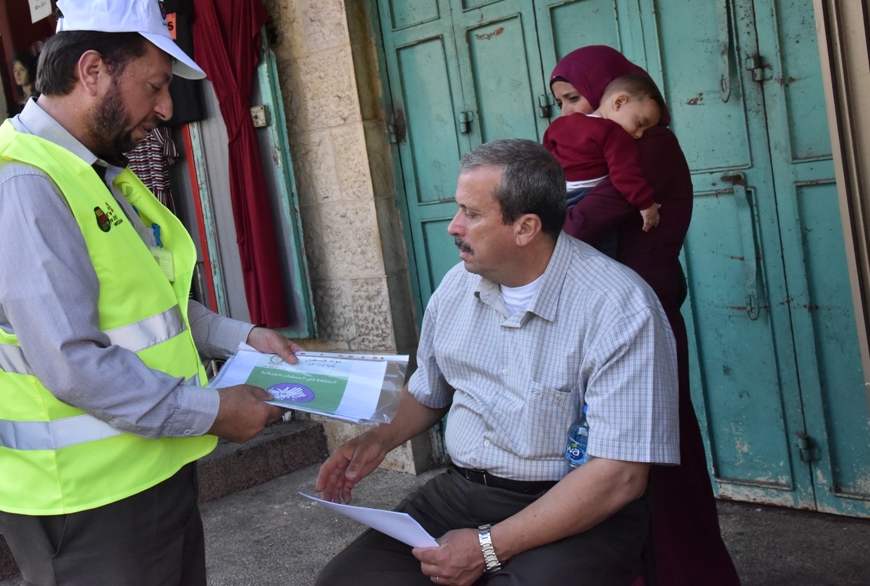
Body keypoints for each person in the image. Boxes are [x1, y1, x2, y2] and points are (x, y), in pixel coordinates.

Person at [0, 0, 300, 586]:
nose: (164, 108)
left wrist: (240, 338)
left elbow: (147, 303)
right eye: (155, 86)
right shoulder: (24, 188)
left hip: (140, 469)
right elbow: (74, 362)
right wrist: (212, 411)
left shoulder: (88, 169)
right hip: (82, 500)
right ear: (93, 70)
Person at [314, 138, 679, 586]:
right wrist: (378, 439)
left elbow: (619, 476)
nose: (453, 226)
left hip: (572, 506)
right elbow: (431, 389)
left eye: (472, 213)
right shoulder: (456, 285)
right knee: (346, 581)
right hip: (462, 494)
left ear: (525, 228)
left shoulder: (619, 308)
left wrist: (487, 547)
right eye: (457, 209)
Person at [551, 45, 741, 586]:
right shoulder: (607, 144)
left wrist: (534, 237)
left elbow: (593, 214)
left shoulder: (650, 145)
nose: (568, 114)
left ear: (617, 92)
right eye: (561, 104)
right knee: (617, 457)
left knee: (658, 461)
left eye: (574, 99)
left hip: (645, 313)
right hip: (617, 312)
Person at [543, 73, 665, 234]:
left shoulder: (560, 124)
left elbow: (544, 156)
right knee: (604, 249)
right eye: (640, 123)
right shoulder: (615, 133)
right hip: (584, 196)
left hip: (556, 196)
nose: (640, 134)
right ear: (619, 102)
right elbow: (624, 174)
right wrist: (646, 203)